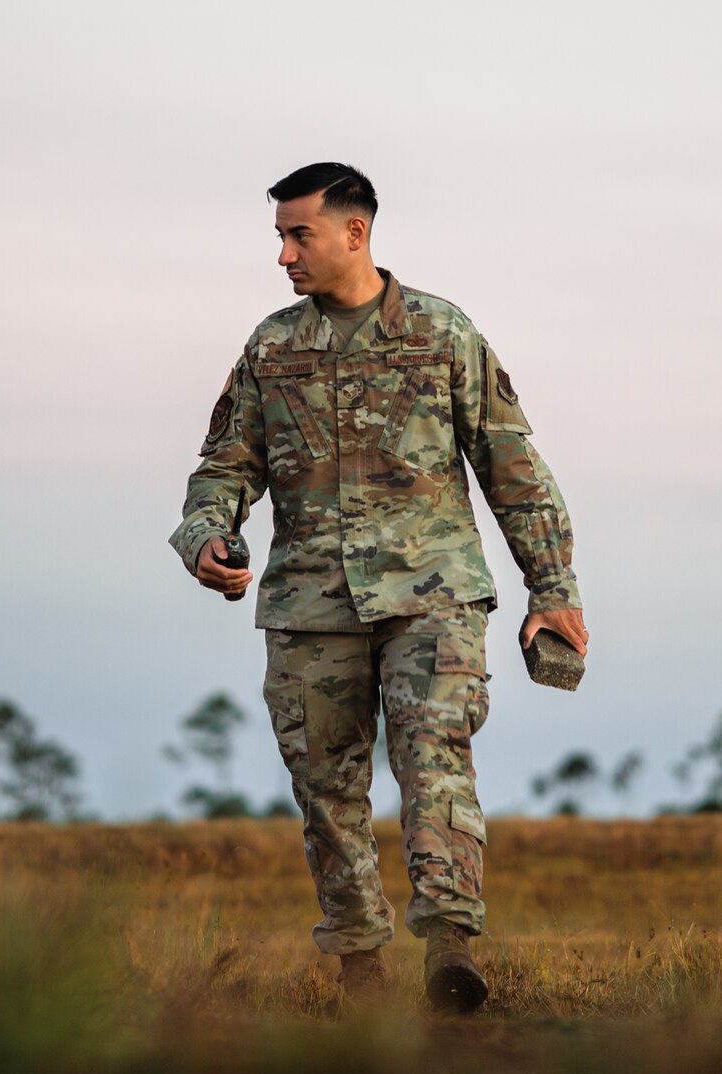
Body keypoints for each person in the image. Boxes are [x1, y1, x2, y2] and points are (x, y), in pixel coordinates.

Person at [168, 162, 588, 1013]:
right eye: (281, 237)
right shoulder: (272, 347)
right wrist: (207, 535)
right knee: (327, 791)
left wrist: (553, 584)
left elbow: (514, 468)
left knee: (434, 765)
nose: (284, 255)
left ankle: (451, 950)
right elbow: (223, 465)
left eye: (299, 235)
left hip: (433, 600)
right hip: (311, 607)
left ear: (354, 233)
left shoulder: (442, 333)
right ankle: (360, 967)